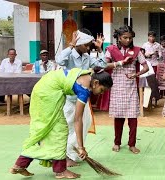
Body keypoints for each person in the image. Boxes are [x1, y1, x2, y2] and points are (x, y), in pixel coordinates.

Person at [9, 67, 113, 179]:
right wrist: (81, 147)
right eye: (102, 90)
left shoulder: (88, 74)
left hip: (42, 89)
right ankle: (60, 170)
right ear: (96, 83)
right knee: (60, 132)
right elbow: (78, 119)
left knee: (45, 132)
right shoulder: (84, 90)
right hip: (47, 95)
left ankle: (20, 165)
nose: (101, 94)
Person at [56, 28, 108, 166]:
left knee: (85, 123)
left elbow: (102, 64)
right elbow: (59, 60)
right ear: (78, 44)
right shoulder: (69, 55)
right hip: (68, 98)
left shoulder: (87, 57)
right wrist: (71, 45)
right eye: (85, 45)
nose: (87, 48)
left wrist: (100, 48)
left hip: (82, 98)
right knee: (70, 127)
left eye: (89, 45)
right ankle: (65, 157)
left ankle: (74, 153)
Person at [104, 25, 149, 154]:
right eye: (125, 38)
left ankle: (132, 144)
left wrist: (136, 74)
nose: (128, 40)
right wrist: (120, 62)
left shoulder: (137, 50)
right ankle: (117, 142)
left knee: (133, 118)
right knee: (118, 118)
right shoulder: (111, 50)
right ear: (118, 37)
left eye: (130, 38)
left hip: (131, 88)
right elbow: (104, 65)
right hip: (117, 86)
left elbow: (145, 67)